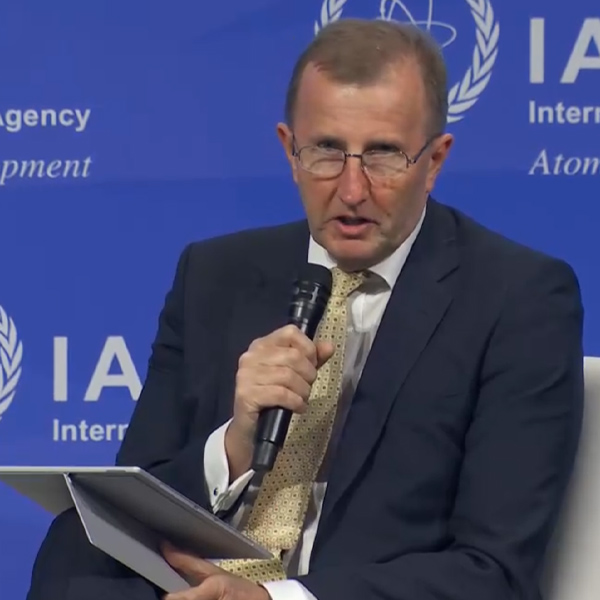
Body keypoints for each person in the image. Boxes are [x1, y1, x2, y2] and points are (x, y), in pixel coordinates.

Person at [26, 17, 584, 600]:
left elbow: (494, 570)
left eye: (384, 155)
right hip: (191, 585)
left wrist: (274, 598)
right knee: (73, 545)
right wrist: (234, 445)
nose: (352, 189)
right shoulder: (215, 275)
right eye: (326, 151)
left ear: (435, 160)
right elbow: (131, 503)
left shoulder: (516, 297)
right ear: (289, 150)